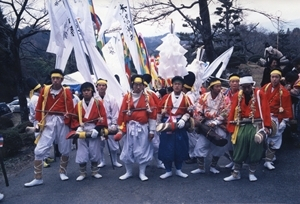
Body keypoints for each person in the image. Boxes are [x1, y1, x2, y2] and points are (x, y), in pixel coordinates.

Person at [24, 69, 74, 187]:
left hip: (62, 121)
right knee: (39, 150)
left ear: (62, 79)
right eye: (53, 78)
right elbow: (39, 106)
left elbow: (71, 108)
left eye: (58, 78)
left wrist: (68, 115)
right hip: (48, 121)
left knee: (65, 148)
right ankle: (38, 178)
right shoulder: (45, 90)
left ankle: (62, 172)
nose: (55, 80)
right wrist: (39, 122)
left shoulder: (66, 91)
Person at [224, 75, 271, 182]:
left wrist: (267, 126)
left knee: (255, 147)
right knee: (239, 147)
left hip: (256, 124)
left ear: (252, 86)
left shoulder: (259, 94)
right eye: (243, 87)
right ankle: (236, 173)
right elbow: (232, 111)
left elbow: (266, 110)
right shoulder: (237, 95)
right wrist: (230, 127)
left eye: (248, 87)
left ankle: (252, 173)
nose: (246, 89)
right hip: (242, 125)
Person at [114, 75, 157, 181]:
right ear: (132, 85)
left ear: (143, 86)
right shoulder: (126, 97)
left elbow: (153, 115)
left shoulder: (148, 97)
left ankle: (142, 173)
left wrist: (152, 131)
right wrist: (121, 129)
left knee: (142, 150)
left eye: (140, 85)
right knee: (128, 150)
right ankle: (128, 172)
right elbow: (122, 114)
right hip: (130, 128)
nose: (138, 87)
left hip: (142, 128)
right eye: (136, 85)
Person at [191, 77, 230, 175]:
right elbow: (198, 111)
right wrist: (201, 121)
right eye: (217, 86)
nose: (219, 88)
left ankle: (213, 166)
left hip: (219, 125)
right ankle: (201, 168)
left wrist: (216, 122)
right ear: (211, 88)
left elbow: (226, 113)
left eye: (220, 86)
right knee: (200, 146)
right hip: (205, 125)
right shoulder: (203, 97)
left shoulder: (224, 99)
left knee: (219, 145)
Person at [157, 76, 192, 179]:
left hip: (180, 124)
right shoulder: (166, 97)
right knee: (166, 147)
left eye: (179, 84)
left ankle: (178, 169)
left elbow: (190, 112)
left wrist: (184, 119)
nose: (177, 86)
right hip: (167, 124)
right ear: (172, 85)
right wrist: (161, 116)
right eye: (175, 84)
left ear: (182, 86)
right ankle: (168, 170)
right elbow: (159, 111)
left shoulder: (186, 98)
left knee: (180, 147)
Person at [72, 82, 108, 181]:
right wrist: (78, 127)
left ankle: (95, 171)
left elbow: (103, 117)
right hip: (82, 129)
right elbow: (74, 118)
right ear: (82, 92)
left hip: (94, 129)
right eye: (84, 91)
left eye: (88, 90)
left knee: (94, 150)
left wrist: (97, 128)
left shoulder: (98, 103)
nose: (86, 92)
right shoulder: (78, 105)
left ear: (92, 91)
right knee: (82, 151)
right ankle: (82, 173)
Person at [261, 69, 293, 170]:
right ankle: (268, 156)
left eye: (276, 77)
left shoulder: (284, 92)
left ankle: (268, 161)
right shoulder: (265, 88)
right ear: (270, 77)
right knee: (263, 137)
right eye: (272, 77)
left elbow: (287, 107)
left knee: (274, 139)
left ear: (280, 78)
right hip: (264, 116)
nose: (274, 79)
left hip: (276, 117)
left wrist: (284, 121)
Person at [26, 77, 54, 168]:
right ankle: (41, 159)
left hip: (43, 121)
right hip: (38, 121)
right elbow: (37, 112)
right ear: (38, 89)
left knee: (47, 140)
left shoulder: (38, 97)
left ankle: (46, 157)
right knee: (40, 141)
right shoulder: (34, 99)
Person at [95, 78, 122, 168]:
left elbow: (115, 113)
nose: (102, 87)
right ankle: (102, 161)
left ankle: (115, 161)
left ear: (106, 87)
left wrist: (114, 124)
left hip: (110, 124)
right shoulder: (94, 99)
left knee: (113, 145)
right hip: (98, 125)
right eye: (100, 85)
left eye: (103, 85)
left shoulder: (111, 98)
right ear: (97, 87)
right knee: (100, 145)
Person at [142, 74, 164, 169]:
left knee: (155, 144)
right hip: (140, 124)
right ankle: (145, 161)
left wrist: (157, 121)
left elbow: (158, 108)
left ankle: (159, 162)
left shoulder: (151, 94)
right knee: (143, 144)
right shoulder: (132, 95)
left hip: (151, 122)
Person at [222, 74, 240, 168]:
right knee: (229, 144)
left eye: (236, 81)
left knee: (236, 143)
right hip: (226, 121)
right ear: (229, 83)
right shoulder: (224, 94)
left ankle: (237, 162)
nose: (235, 83)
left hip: (238, 122)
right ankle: (233, 160)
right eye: (232, 81)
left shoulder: (242, 94)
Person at [181, 72, 198, 164]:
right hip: (189, 118)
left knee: (192, 139)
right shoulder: (191, 94)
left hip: (190, 119)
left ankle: (194, 156)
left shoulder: (188, 96)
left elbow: (191, 109)